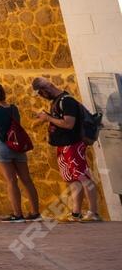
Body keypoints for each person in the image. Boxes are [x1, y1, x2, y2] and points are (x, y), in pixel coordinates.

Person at [35, 77, 101, 221]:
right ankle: (76, 213)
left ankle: (93, 213)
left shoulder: (66, 101)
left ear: (45, 89)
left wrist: (47, 118)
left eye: (40, 93)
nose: (41, 96)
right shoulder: (57, 102)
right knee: (72, 179)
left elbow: (68, 124)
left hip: (73, 144)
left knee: (84, 177)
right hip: (63, 146)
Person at [0, 82, 39, 222]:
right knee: (27, 180)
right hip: (17, 146)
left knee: (11, 181)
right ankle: (35, 213)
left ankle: (18, 214)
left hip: (1, 146)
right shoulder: (14, 109)